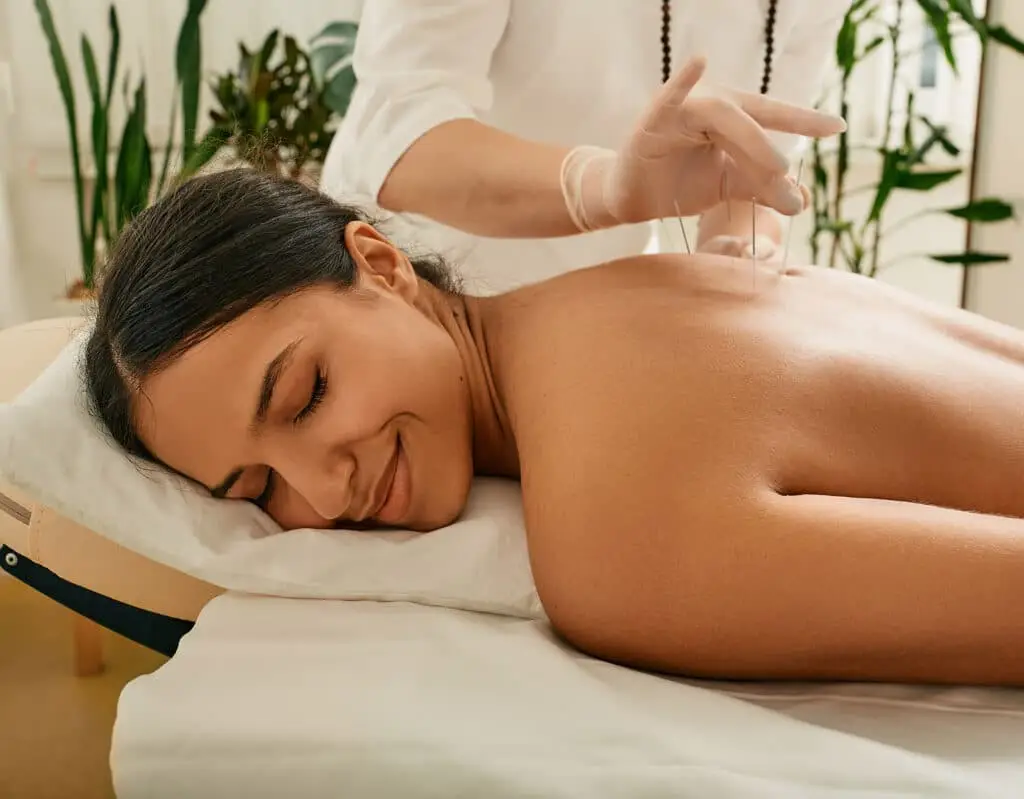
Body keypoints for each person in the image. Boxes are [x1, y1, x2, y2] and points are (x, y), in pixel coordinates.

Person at [86, 169, 1024, 688]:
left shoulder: (611, 536)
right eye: (258, 490)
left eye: (305, 396)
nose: (325, 495)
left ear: (378, 263)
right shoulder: (618, 292)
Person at [321, 0, 852, 292]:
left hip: (587, 301)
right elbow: (399, 138)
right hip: (411, 281)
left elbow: (750, 170)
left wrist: (737, 249)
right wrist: (603, 188)